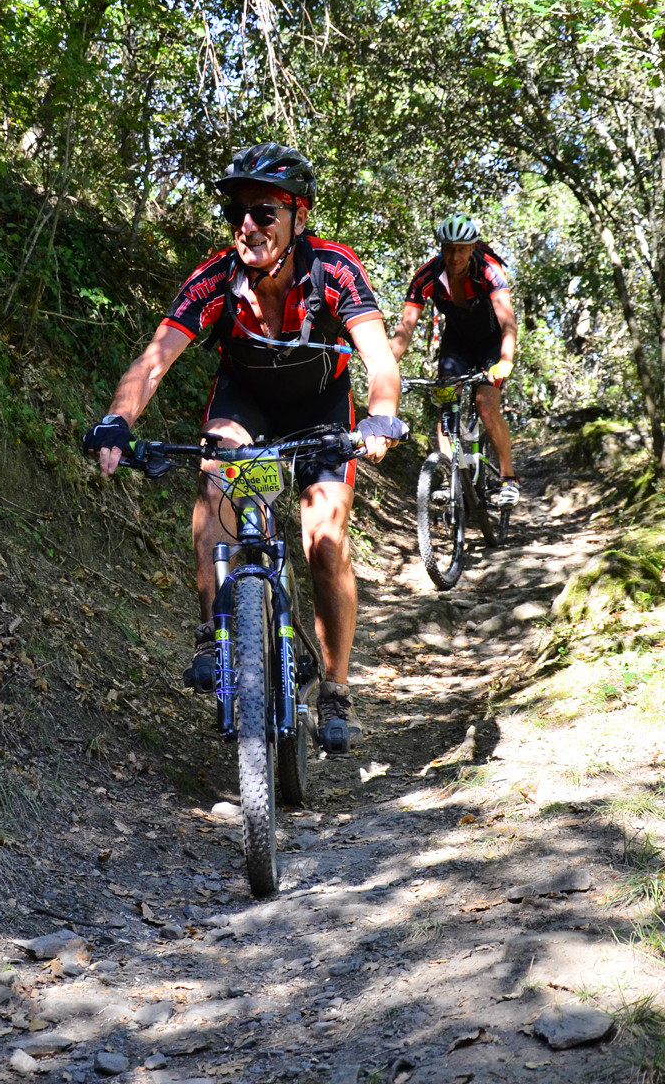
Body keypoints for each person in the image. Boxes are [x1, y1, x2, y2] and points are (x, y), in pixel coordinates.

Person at [83, 141, 404, 754]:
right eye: (238, 215)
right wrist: (115, 421)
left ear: (298, 216)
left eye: (264, 212)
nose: (248, 226)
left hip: (320, 405)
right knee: (215, 479)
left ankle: (335, 689)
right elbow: (154, 361)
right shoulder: (215, 279)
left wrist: (382, 415)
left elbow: (379, 355)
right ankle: (213, 635)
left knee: (324, 540)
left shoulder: (333, 269)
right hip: (245, 401)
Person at [390, 213, 520, 506]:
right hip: (457, 343)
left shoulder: (488, 270)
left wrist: (505, 360)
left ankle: (508, 479)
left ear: (473, 247)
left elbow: (508, 323)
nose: (455, 255)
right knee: (447, 401)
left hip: (491, 341)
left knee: (486, 405)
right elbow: (405, 330)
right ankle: (452, 477)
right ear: (441, 248)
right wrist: (384, 368)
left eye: (461, 248)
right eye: (448, 248)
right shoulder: (428, 276)